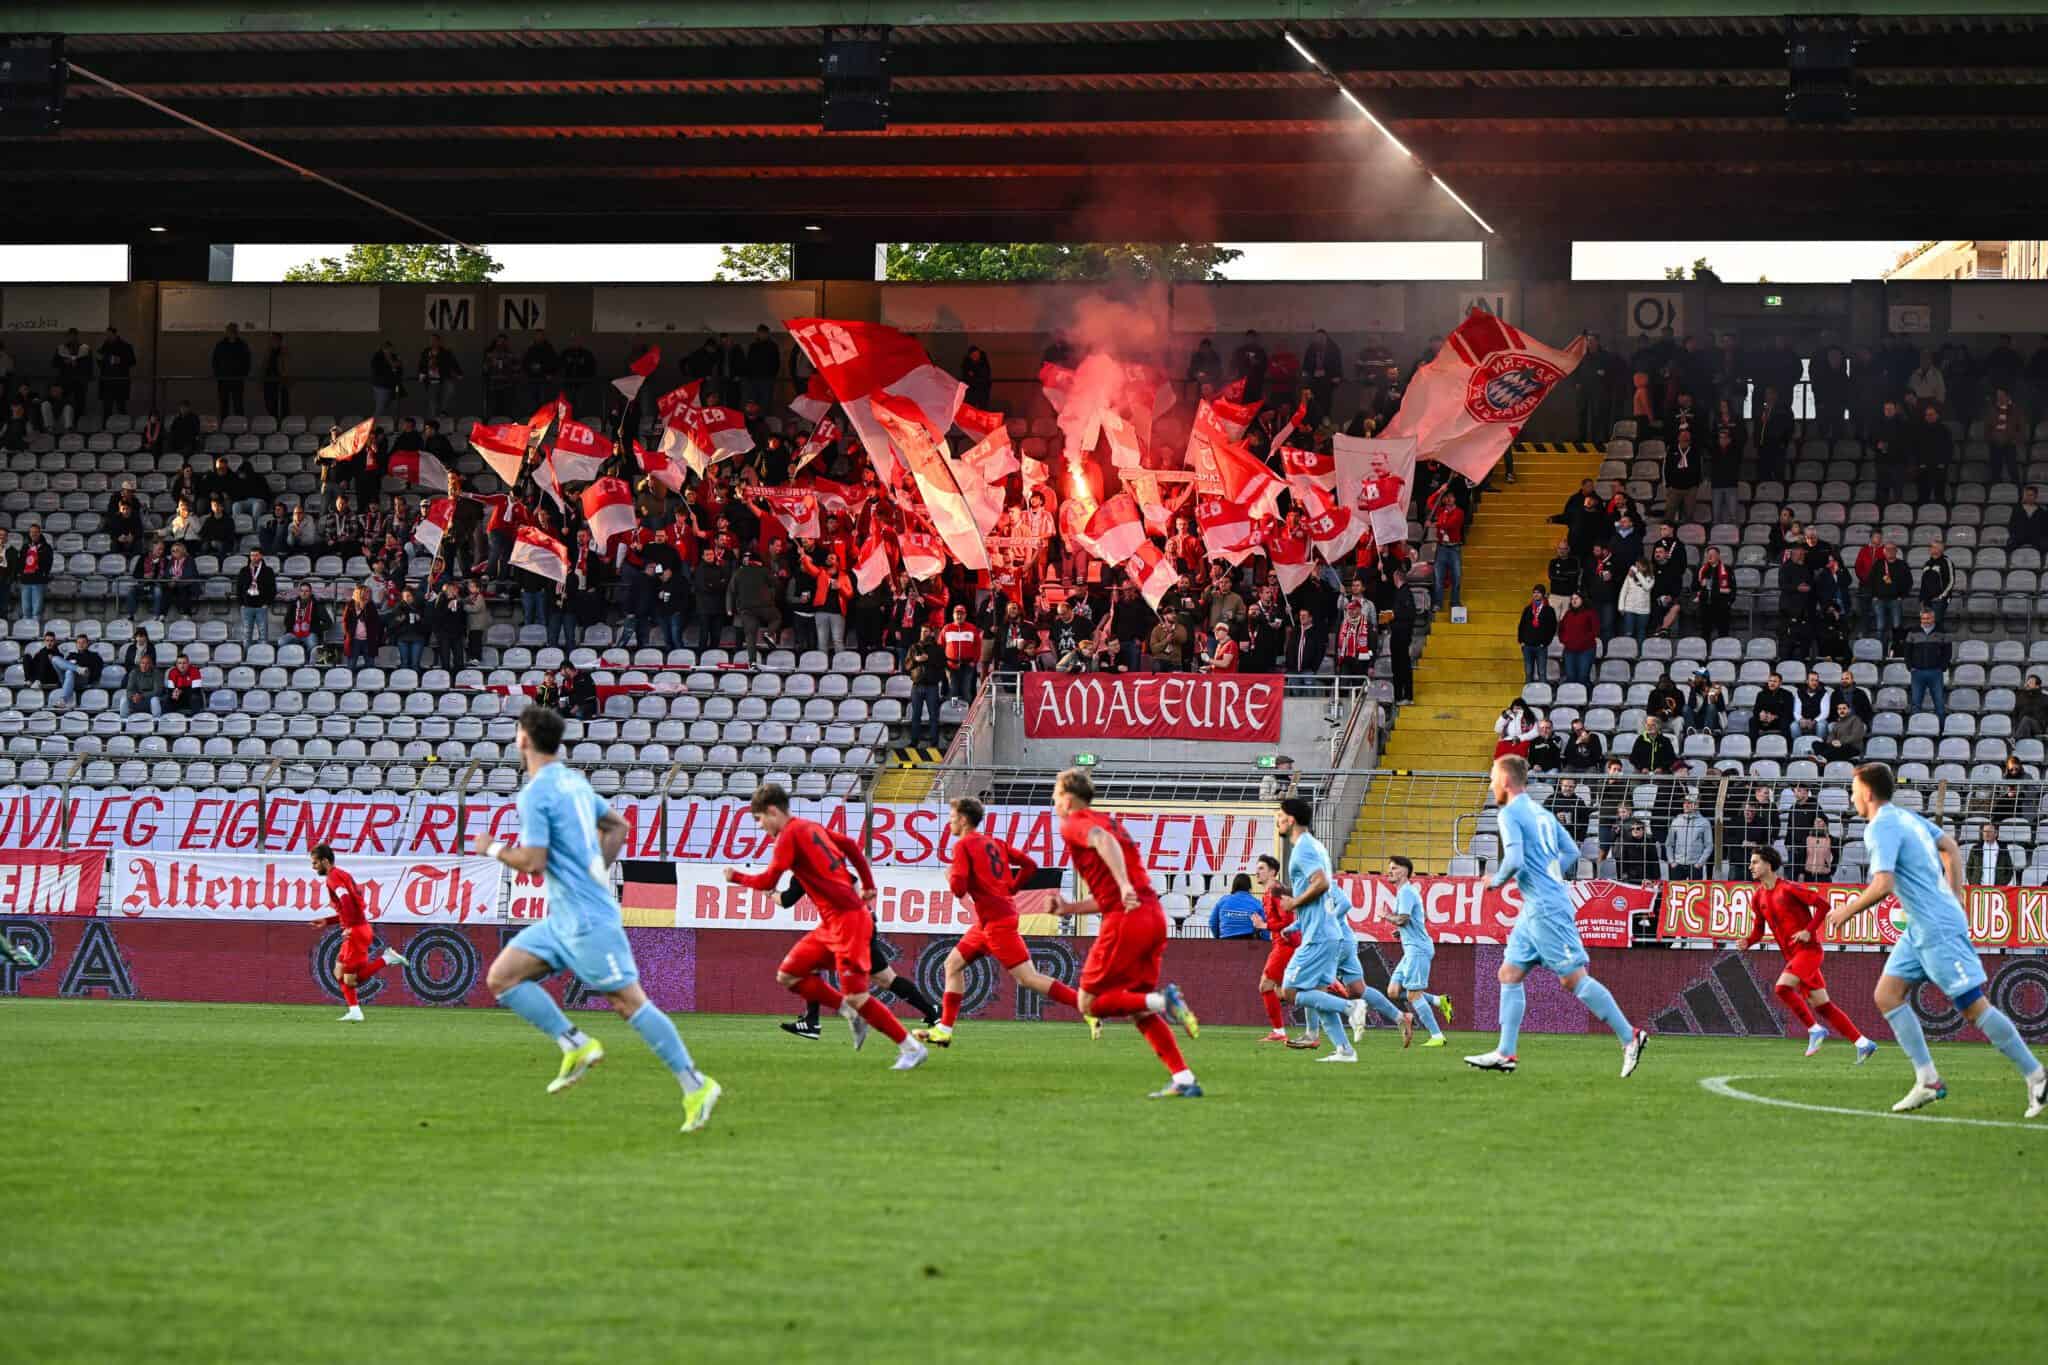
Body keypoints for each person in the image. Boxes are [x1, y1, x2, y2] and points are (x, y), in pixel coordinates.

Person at [477, 706, 720, 1131]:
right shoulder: (573, 781)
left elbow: (534, 862)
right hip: (563, 918)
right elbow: (618, 826)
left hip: (586, 918)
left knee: (629, 1003)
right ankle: (574, 1042)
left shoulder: (536, 792)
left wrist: (492, 848)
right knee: (503, 977)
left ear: (523, 740)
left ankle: (695, 1084)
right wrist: (596, 870)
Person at [1825, 762, 2046, 1116]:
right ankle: (1927, 1078)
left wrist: (1845, 912)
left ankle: (2035, 1074)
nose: (1852, 798)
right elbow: (1950, 846)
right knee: (1887, 994)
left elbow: (1883, 884)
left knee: (1973, 1006)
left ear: (1866, 792)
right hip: (1920, 927)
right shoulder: (1905, 817)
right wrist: (1956, 892)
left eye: (1853, 791)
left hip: (1935, 926)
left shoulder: (1880, 826)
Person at [1466, 755, 1649, 1076]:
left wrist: (1495, 882)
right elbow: (1572, 852)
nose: (1492, 783)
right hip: (1535, 907)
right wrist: (1550, 875)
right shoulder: (1543, 814)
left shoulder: (1509, 813)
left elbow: (1514, 858)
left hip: (1546, 908)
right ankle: (1506, 1052)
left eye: (1494, 777)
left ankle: (1629, 1036)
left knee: (1573, 979)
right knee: (1508, 974)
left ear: (1506, 781)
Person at [728, 782, 927, 1072]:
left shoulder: (787, 837)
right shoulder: (810, 827)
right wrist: (868, 884)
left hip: (849, 922)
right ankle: (848, 1010)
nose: (759, 827)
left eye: (758, 819)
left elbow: (768, 882)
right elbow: (848, 845)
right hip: (832, 923)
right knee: (789, 975)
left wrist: (735, 876)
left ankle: (912, 1048)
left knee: (860, 994)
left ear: (772, 811)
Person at [1048, 768, 1202, 1097]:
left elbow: (1103, 848)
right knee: (1138, 1007)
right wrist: (1069, 908)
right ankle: (1184, 1079)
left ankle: (1166, 1000)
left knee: (1088, 1003)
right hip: (1152, 916)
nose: (1053, 800)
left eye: (1057, 794)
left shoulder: (1075, 823)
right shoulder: (1112, 822)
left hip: (1127, 920)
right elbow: (1107, 894)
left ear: (1070, 798)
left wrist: (1122, 884)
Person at [914, 798, 1079, 1049]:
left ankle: (1087, 1005)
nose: (949, 823)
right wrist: (1011, 887)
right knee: (953, 964)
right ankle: (944, 1030)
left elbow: (958, 889)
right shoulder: (993, 842)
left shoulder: (963, 846)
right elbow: (1030, 865)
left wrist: (952, 876)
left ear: (963, 819)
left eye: (951, 817)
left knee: (1028, 978)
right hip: (989, 920)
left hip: (997, 922)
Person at [1734, 847, 1875, 1058]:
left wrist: (1809, 932)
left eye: (1755, 862)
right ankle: (1863, 1043)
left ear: (1768, 864)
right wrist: (1748, 941)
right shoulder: (1758, 897)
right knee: (1823, 1005)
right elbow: (1759, 930)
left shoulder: (1789, 888)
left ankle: (1814, 1029)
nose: (1750, 866)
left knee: (1782, 988)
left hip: (1809, 952)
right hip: (1793, 956)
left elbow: (1823, 906)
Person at [1270, 796, 1371, 1065]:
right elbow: (1315, 886)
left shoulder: (1303, 848)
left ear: (1290, 820)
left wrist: (1293, 902)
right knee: (1317, 994)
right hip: (1327, 930)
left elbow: (1322, 883)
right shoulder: (1315, 846)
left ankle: (1351, 1007)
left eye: (1280, 815)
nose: (1277, 820)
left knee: (1290, 990)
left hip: (1319, 934)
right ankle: (1345, 1050)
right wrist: (1290, 893)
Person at [309, 845, 410, 1023]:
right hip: (360, 927)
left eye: (315, 863)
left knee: (350, 980)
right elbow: (347, 905)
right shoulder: (342, 874)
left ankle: (386, 959)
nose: (313, 867)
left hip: (355, 931)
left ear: (325, 861)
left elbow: (346, 900)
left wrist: (347, 926)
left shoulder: (333, 877)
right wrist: (328, 921)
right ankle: (354, 1011)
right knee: (339, 972)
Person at [1376, 855, 1451, 1048]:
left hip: (1417, 949)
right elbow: (1419, 918)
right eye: (1389, 868)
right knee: (1393, 991)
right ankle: (1438, 1000)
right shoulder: (1405, 892)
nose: (1389, 871)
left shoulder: (1406, 892)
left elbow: (1403, 919)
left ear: (1404, 871)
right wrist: (1400, 931)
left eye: (1394, 868)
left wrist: (1388, 917)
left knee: (1413, 995)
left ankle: (1437, 1036)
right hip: (1411, 949)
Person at [1248, 855, 1299, 1044]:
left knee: (1265, 986)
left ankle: (1279, 1031)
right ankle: (1335, 994)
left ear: (1272, 872)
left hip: (1285, 945)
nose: (1257, 872)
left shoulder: (1277, 891)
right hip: (1281, 944)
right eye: (1257, 868)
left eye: (1261, 868)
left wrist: (1264, 925)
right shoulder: (1269, 892)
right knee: (1282, 992)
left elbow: (1286, 921)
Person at [1904, 608, 1951, 719]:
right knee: (1916, 704)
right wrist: (1910, 667)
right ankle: (1915, 731)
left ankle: (1941, 732)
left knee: (1939, 704)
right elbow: (1907, 651)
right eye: (1923, 618)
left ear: (1933, 618)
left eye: (1928, 618)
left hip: (1935, 672)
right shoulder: (1912, 632)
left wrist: (1942, 667)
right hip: (1917, 672)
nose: (1925, 621)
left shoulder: (1942, 632)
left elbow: (1948, 652)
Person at [904, 625, 945, 752]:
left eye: (926, 631)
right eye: (921, 631)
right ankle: (914, 742)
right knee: (916, 716)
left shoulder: (938, 649)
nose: (923, 633)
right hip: (917, 686)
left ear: (931, 633)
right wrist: (915, 660)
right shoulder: (913, 647)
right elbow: (906, 666)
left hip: (932, 686)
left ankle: (934, 743)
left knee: (934, 716)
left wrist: (929, 659)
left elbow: (942, 664)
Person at [232, 549, 277, 645]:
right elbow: (239, 588)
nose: (254, 557)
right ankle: (246, 656)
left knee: (263, 635)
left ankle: (263, 657)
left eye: (256, 555)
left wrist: (267, 603)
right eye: (252, 555)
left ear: (261, 556)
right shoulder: (244, 570)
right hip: (247, 607)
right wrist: (241, 604)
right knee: (247, 635)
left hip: (261, 607)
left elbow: (272, 589)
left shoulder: (268, 571)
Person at [1663, 795, 1712, 880]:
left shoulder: (1704, 822)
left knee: (1695, 893)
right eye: (1684, 803)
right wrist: (1672, 862)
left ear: (1696, 805)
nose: (1686, 805)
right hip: (1678, 865)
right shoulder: (1676, 821)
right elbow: (1669, 843)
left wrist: (1699, 863)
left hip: (1695, 866)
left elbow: (1709, 845)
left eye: (1689, 803)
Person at [1517, 584, 1556, 684]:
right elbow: (1521, 626)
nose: (1536, 594)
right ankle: (1528, 696)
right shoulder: (1528, 609)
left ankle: (1543, 695)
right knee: (1528, 672)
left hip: (1540, 647)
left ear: (1543, 594)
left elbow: (1552, 628)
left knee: (1542, 672)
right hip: (1527, 646)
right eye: (1534, 592)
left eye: (1538, 592)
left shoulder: (1549, 610)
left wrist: (1546, 642)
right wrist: (1521, 641)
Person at [1207, 872, 1263, 941]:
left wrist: (1218, 938)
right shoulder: (1257, 903)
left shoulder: (1223, 901)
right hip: (1249, 942)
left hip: (1226, 940)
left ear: (1234, 886)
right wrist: (1264, 942)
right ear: (1249, 887)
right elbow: (1264, 925)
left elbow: (1212, 922)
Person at [212, 322, 251, 417]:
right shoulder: (220, 345)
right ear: (227, 332)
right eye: (230, 330)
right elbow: (215, 361)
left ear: (237, 332)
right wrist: (218, 375)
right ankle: (224, 427)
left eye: (234, 331)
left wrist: (243, 375)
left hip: (237, 379)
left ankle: (240, 427)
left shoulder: (242, 345)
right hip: (223, 379)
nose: (232, 332)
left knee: (238, 406)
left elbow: (247, 361)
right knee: (224, 406)